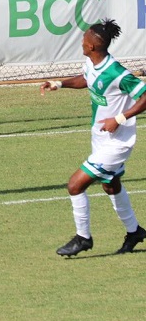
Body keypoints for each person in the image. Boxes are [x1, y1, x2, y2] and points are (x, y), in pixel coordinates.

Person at [41, 19, 146, 256]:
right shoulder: (91, 62)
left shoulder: (117, 73)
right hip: (100, 140)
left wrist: (119, 118)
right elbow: (87, 79)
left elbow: (145, 95)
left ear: (92, 46)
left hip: (117, 143)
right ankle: (135, 232)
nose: (81, 41)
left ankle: (83, 238)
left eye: (84, 39)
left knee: (75, 184)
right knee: (111, 185)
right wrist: (60, 83)